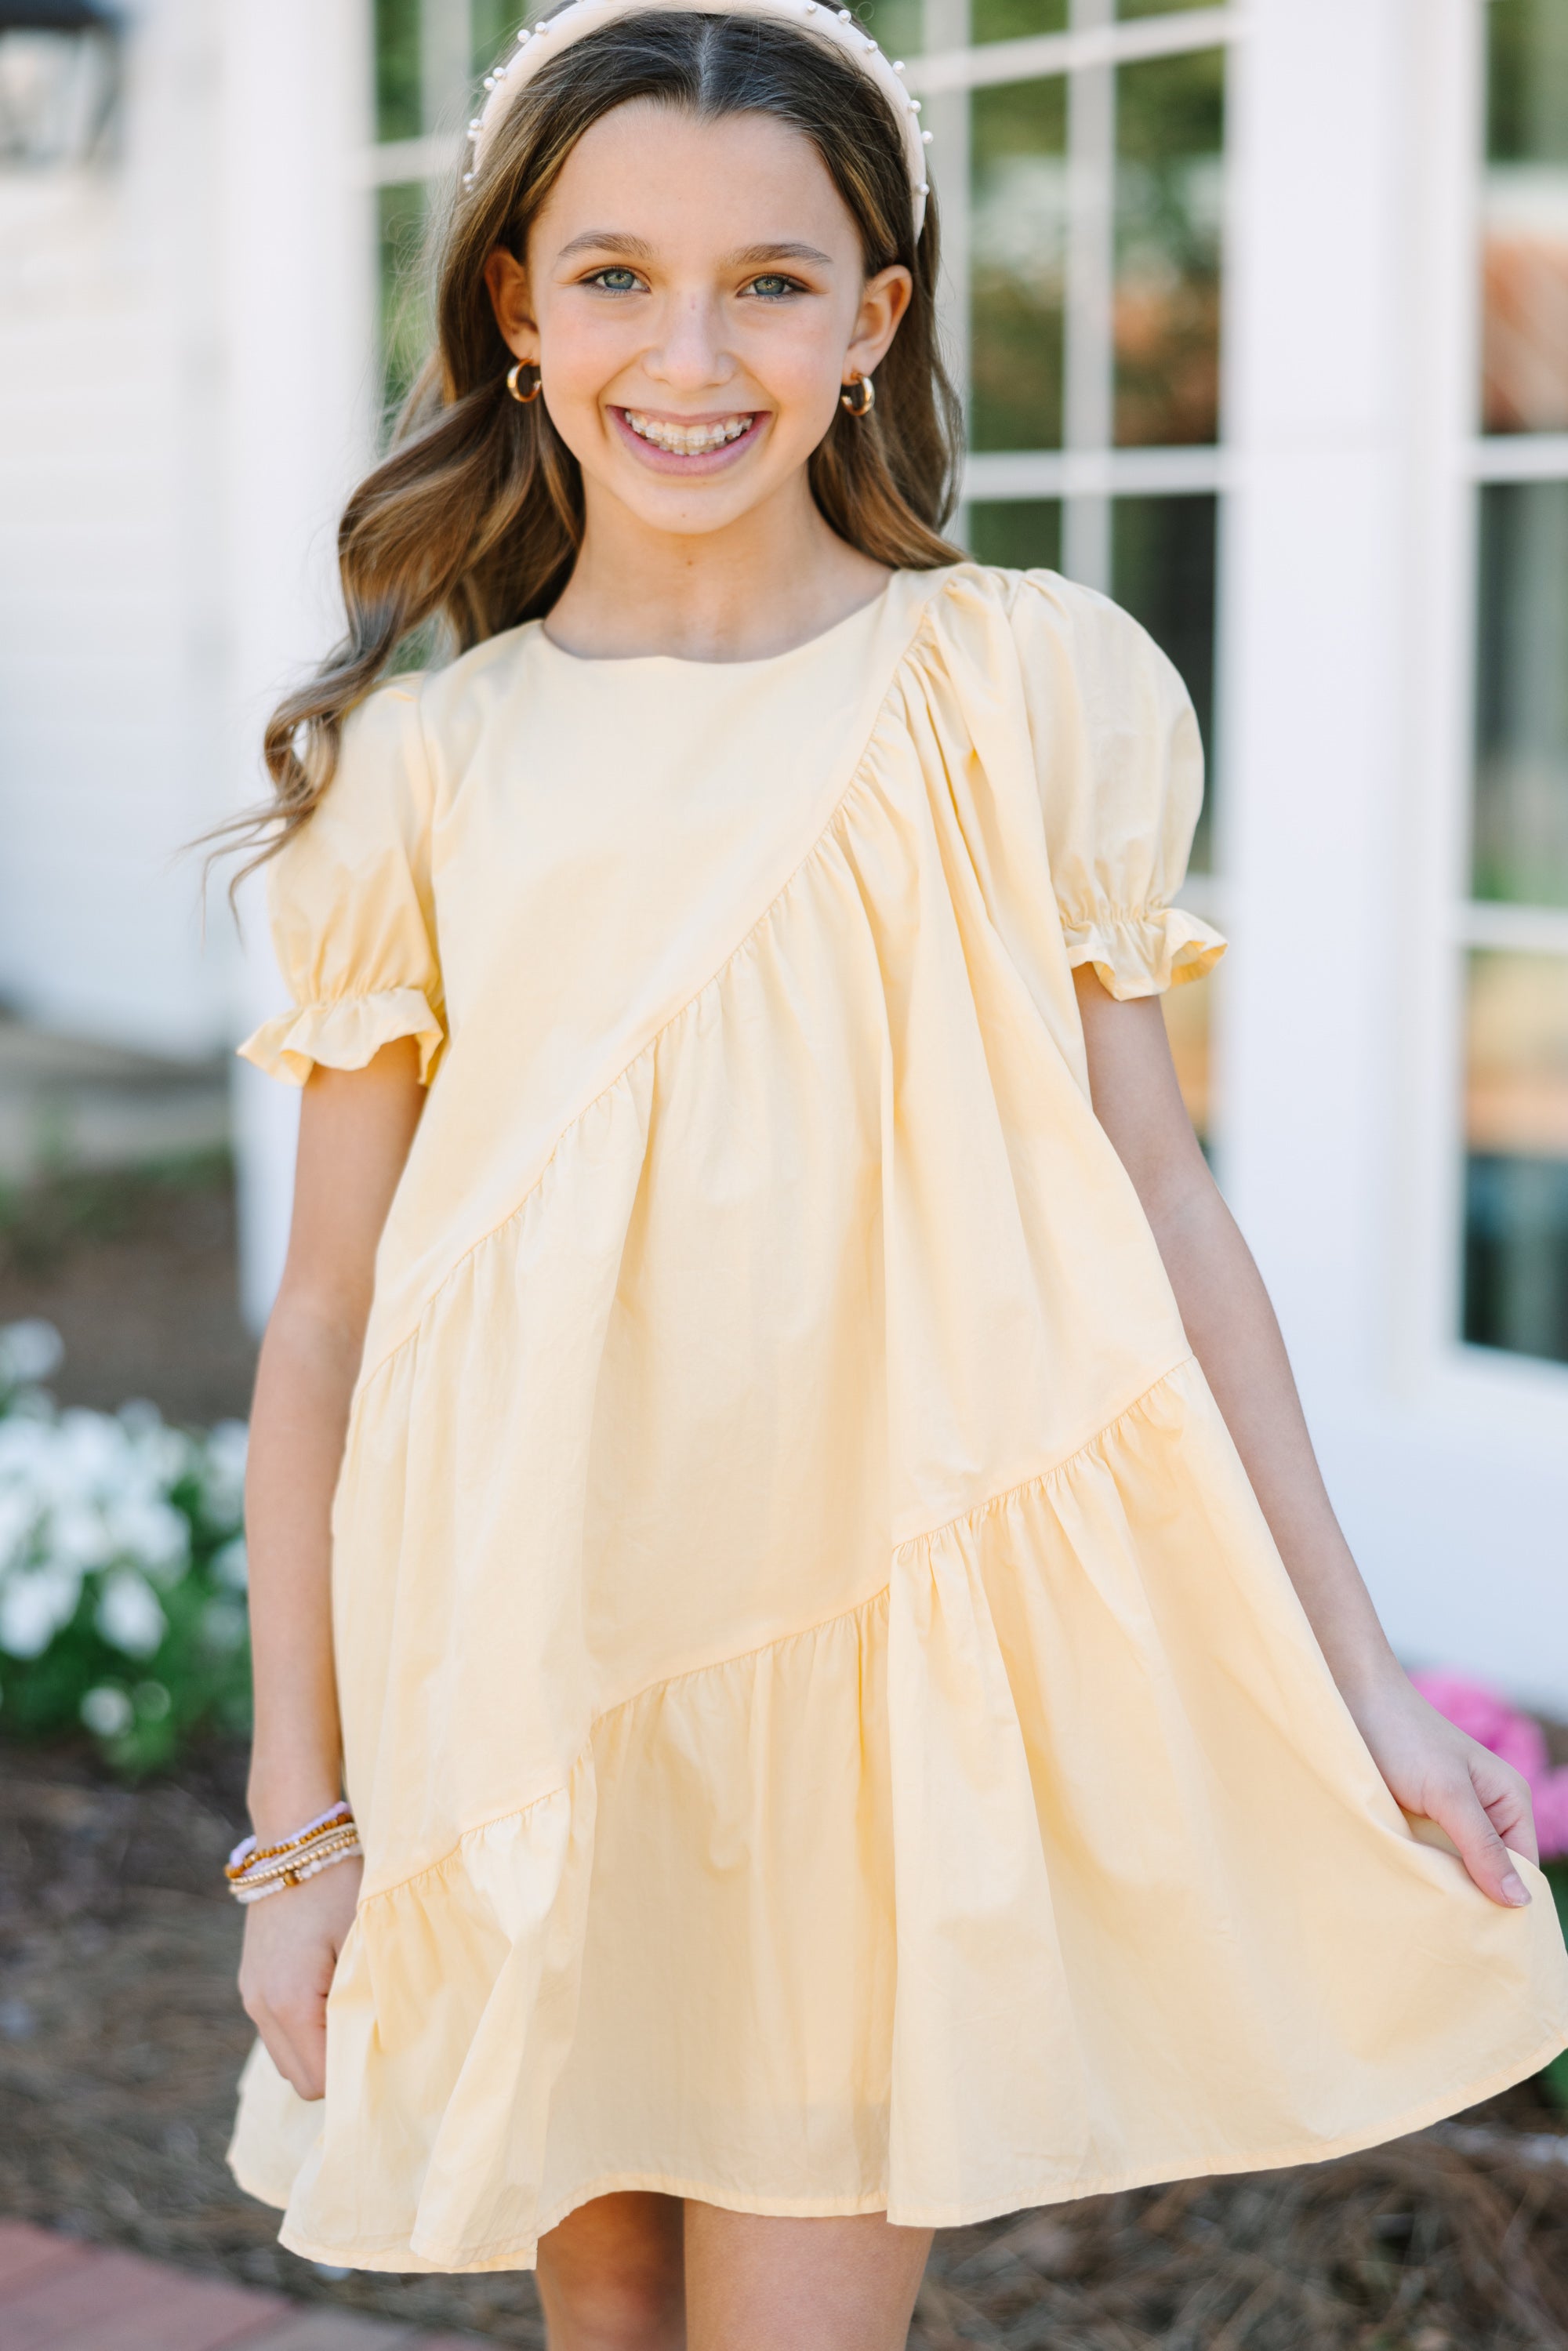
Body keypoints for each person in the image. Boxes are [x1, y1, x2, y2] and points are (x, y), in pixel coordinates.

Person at [221, 5, 1568, 2345]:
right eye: (618, 273)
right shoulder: (422, 777)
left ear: (875, 320)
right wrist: (299, 1827)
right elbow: (329, 1318)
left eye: (772, 278)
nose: (693, 349)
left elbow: (1163, 1197)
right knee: (606, 2318)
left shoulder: (1022, 688)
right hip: (523, 1655)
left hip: (865, 1671)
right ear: (519, 313)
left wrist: (1365, 1681)